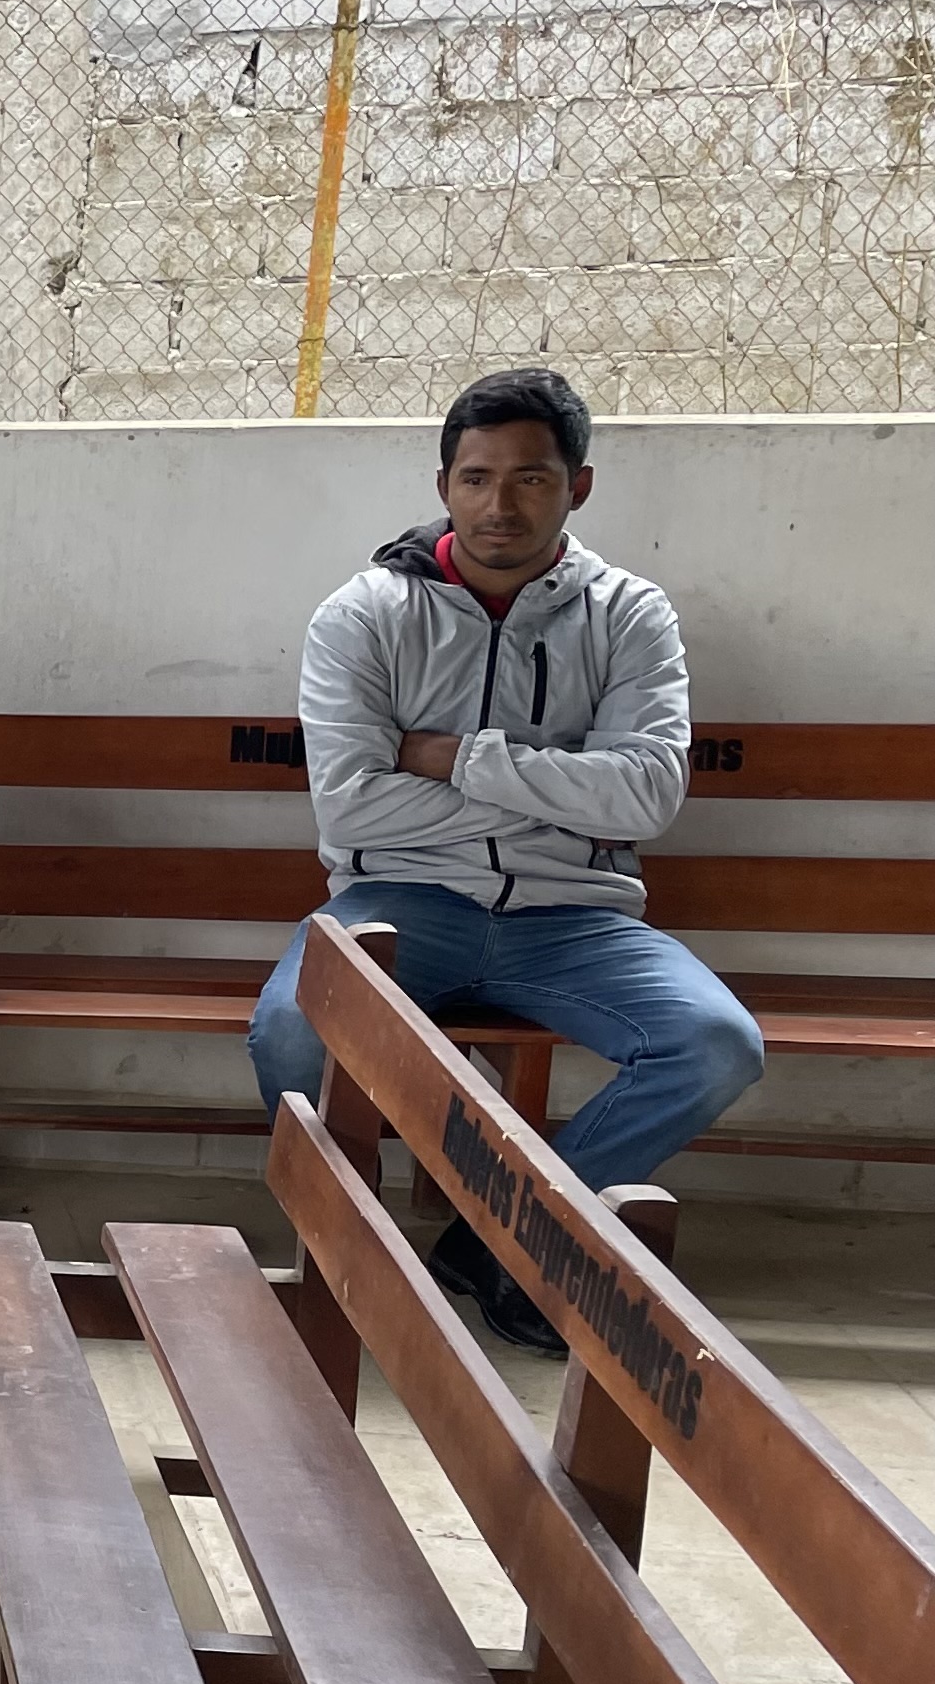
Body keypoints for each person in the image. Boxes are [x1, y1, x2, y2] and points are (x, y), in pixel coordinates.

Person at [251, 366, 761, 1356]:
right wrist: (566, 792)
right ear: (443, 484)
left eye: (531, 478)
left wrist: (454, 757)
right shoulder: (365, 614)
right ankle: (355, 1260)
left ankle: (505, 1244)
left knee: (715, 1044)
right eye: (477, 478)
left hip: (575, 917)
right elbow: (351, 799)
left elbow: (648, 796)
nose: (500, 505)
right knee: (290, 1034)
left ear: (579, 486)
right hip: (401, 900)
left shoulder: (629, 615)